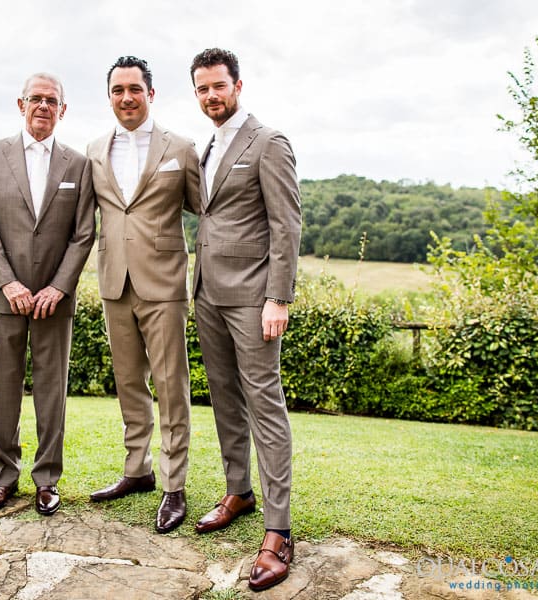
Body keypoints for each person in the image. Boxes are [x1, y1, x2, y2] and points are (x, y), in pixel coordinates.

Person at [189, 48, 302, 591]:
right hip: (206, 293)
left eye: (219, 86)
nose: (211, 96)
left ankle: (278, 531)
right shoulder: (206, 147)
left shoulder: (269, 142)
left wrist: (278, 297)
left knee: (265, 403)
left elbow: (286, 225)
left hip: (255, 296)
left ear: (238, 85)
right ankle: (239, 491)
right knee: (224, 396)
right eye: (202, 88)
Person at [0, 73, 95, 516]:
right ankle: (4, 478)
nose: (43, 106)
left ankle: (47, 480)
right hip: (5, 297)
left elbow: (83, 234)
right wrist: (9, 282)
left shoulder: (78, 165)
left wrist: (59, 287)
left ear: (64, 110)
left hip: (53, 302)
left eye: (52, 100)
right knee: (3, 390)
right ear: (20, 104)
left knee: (51, 391)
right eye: (35, 99)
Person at [87, 56, 200, 534]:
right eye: (118, 91)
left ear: (150, 94)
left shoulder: (182, 147)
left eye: (135, 89)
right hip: (114, 282)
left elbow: (206, 210)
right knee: (129, 382)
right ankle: (139, 471)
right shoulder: (94, 150)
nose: (126, 98)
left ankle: (175, 484)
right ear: (110, 96)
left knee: (172, 386)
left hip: (165, 285)